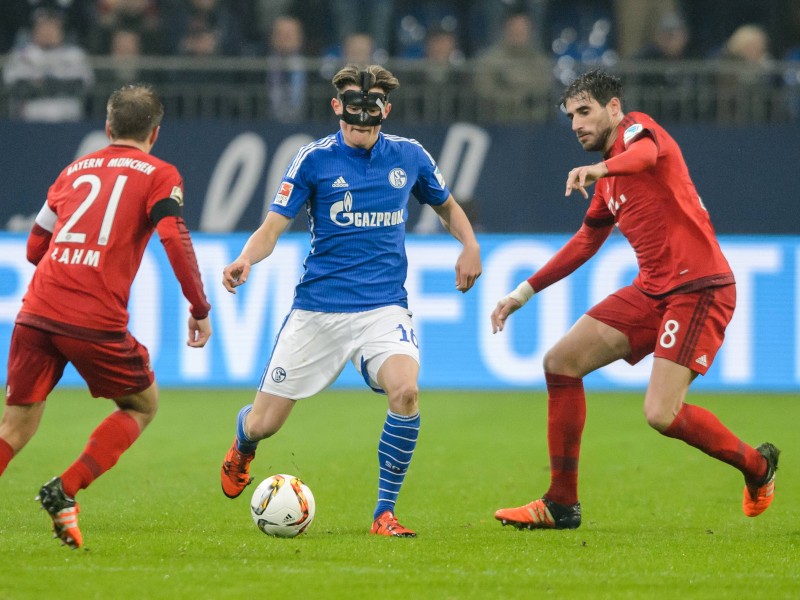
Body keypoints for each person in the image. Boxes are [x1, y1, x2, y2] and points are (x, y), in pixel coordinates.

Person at [490, 69, 778, 530]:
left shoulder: (637, 132)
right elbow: (585, 242)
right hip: (652, 291)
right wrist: (522, 293)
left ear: (614, 108)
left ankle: (758, 468)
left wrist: (600, 167)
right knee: (560, 361)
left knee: (660, 414)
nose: (576, 124)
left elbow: (644, 154)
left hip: (699, 288)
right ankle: (561, 504)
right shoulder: (607, 181)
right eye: (570, 116)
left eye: (585, 111)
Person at [219, 63, 482, 537]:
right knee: (264, 424)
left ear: (387, 111)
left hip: (383, 308)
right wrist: (245, 259)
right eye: (353, 115)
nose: (361, 125)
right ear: (337, 107)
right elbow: (273, 226)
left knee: (406, 392)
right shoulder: (313, 160)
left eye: (371, 116)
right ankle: (243, 441)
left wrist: (470, 245)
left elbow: (447, 206)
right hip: (318, 311)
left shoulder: (410, 156)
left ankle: (384, 513)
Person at [0, 84, 212, 549]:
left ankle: (62, 493)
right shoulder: (160, 173)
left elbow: (36, 246)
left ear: (107, 128)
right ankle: (65, 489)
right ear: (154, 133)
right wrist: (198, 307)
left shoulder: (73, 171)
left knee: (14, 425)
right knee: (141, 404)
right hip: (93, 318)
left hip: (37, 310)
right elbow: (174, 239)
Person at [2, 8, 94, 122]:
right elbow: (16, 86)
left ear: (61, 30)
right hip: (31, 118)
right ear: (34, 30)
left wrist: (42, 85)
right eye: (43, 27)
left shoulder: (75, 54)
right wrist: (58, 85)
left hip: (68, 117)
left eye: (53, 27)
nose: (48, 31)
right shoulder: (21, 54)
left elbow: (82, 85)